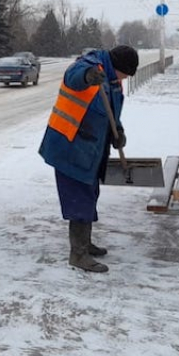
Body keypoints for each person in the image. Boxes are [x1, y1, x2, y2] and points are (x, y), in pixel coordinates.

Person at [38, 45, 139, 273]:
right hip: (69, 145)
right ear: (118, 67)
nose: (125, 78)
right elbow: (73, 77)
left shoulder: (112, 81)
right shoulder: (90, 67)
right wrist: (87, 77)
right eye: (126, 73)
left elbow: (111, 113)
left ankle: (85, 243)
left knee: (90, 194)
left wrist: (118, 132)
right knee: (79, 198)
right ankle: (78, 254)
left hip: (90, 149)